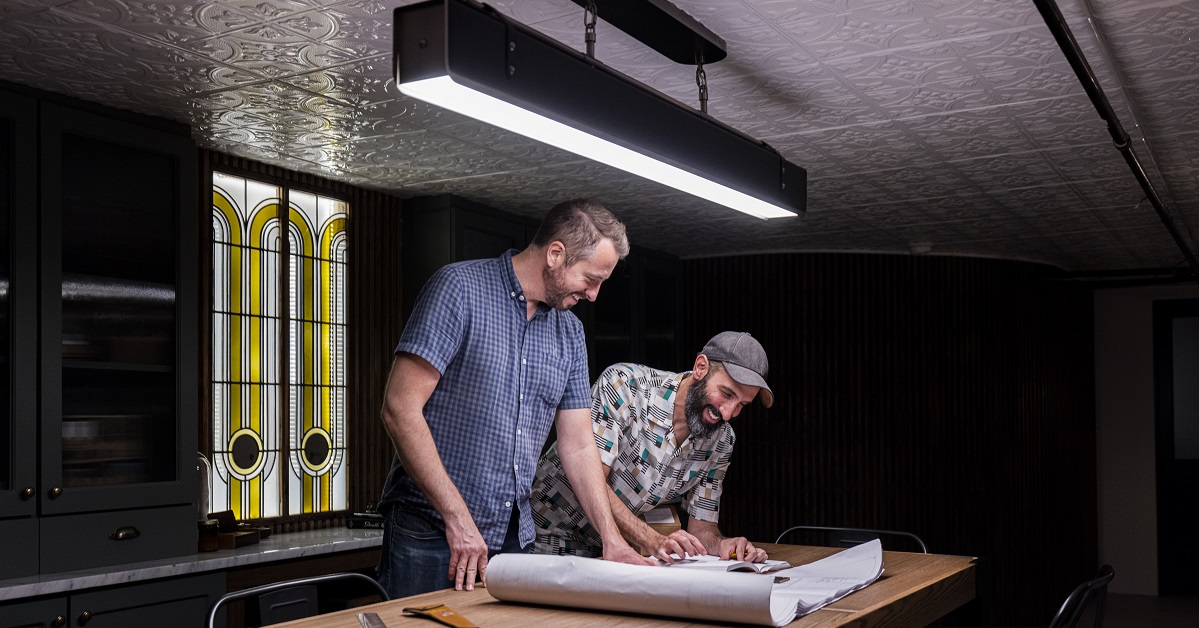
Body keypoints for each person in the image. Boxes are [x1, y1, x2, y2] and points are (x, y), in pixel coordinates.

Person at [375, 198, 652, 599]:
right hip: (430, 531)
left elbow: (577, 445)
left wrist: (612, 540)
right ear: (556, 254)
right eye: (591, 279)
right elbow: (399, 408)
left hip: (511, 542)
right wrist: (458, 519)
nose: (594, 295)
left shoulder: (570, 334)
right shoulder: (459, 289)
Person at [530, 331, 774, 563]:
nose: (728, 413)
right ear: (701, 367)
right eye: (726, 394)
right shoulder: (624, 386)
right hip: (546, 538)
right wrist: (651, 539)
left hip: (616, 552)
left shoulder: (722, 440)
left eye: (742, 405)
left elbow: (702, 528)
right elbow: (589, 479)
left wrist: (723, 545)